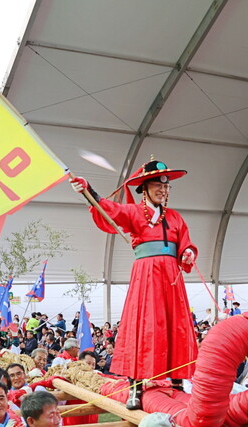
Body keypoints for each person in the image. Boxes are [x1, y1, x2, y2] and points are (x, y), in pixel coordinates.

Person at [70, 160, 198, 410]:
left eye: (167, 186)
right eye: (158, 185)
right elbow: (109, 209)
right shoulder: (134, 212)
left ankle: (178, 382)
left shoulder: (175, 217)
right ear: (145, 188)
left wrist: (188, 253)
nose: (164, 190)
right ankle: (135, 387)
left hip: (171, 275)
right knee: (142, 325)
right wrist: (89, 192)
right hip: (147, 274)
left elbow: (186, 242)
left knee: (177, 324)